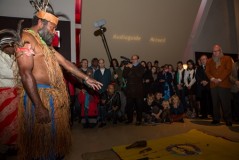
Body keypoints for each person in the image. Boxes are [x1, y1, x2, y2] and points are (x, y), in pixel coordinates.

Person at [15, 2, 102, 159]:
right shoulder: (26, 39)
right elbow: (25, 74)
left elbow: (66, 63)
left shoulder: (45, 44)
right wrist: (39, 106)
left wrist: (86, 78)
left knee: (51, 144)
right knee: (41, 145)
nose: (54, 32)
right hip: (38, 97)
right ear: (41, 22)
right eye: (52, 27)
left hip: (50, 99)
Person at [0, 37, 19, 158]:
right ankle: (4, 147)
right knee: (4, 120)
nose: (15, 49)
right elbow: (8, 73)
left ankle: (13, 146)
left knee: (14, 121)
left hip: (15, 92)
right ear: (6, 46)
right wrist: (21, 74)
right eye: (13, 47)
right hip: (3, 92)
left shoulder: (13, 57)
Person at [205, 44, 233, 126]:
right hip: (213, 84)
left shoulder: (227, 58)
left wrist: (220, 79)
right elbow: (207, 71)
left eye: (216, 51)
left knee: (226, 103)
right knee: (215, 103)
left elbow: (228, 70)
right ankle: (216, 119)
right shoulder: (209, 61)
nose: (214, 53)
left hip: (224, 84)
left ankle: (228, 119)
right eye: (213, 51)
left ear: (220, 51)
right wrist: (212, 79)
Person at [123, 55, 145, 125]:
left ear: (138, 59)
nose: (133, 60)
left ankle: (139, 120)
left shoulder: (141, 67)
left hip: (138, 91)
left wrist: (132, 67)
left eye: (135, 59)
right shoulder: (129, 66)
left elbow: (139, 75)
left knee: (139, 106)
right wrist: (126, 68)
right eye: (132, 59)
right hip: (129, 90)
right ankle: (130, 119)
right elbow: (124, 75)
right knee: (129, 106)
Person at [229, 54, 239, 122]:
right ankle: (237, 117)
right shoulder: (233, 65)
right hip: (235, 87)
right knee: (236, 103)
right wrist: (235, 81)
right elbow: (229, 76)